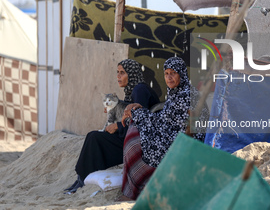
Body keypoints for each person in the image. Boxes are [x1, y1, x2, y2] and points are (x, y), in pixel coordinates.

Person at [64, 59, 160, 194]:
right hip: (131, 136)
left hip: (137, 142)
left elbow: (140, 121)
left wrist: (117, 127)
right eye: (117, 72)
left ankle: (82, 180)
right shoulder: (134, 90)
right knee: (94, 137)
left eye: (122, 73)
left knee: (94, 138)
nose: (118, 76)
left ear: (131, 74)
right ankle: (82, 178)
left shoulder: (139, 90)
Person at [120, 57, 209, 200]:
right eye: (166, 73)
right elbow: (165, 119)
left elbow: (180, 127)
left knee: (135, 138)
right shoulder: (176, 93)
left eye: (173, 73)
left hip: (185, 144)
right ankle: (137, 188)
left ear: (181, 74)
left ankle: (137, 188)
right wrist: (140, 111)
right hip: (174, 137)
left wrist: (137, 112)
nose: (169, 77)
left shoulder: (187, 95)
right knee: (136, 128)